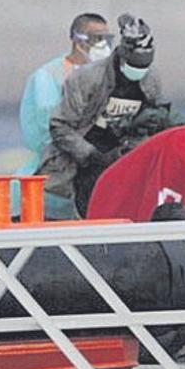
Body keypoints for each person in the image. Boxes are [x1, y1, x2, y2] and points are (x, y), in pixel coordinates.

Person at [38, 13, 185, 218]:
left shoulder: (150, 78)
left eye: (143, 68)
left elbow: (161, 116)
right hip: (87, 162)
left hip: (128, 160)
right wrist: (92, 156)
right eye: (134, 67)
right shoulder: (87, 78)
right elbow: (59, 126)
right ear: (122, 57)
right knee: (92, 211)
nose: (139, 72)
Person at [16, 13, 110, 219]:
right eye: (97, 38)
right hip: (51, 186)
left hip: (95, 177)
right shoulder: (48, 78)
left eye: (107, 39)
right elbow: (46, 131)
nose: (103, 45)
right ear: (78, 41)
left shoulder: (108, 76)